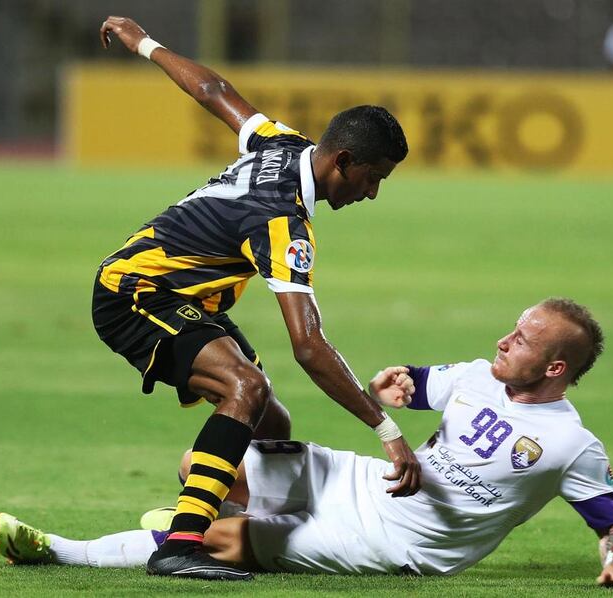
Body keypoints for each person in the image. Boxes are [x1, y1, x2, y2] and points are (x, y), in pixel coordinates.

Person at [0, 298, 613, 591]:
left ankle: (58, 552)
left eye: (524, 340)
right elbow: (417, 383)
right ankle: (211, 518)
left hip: (396, 544)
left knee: (217, 542)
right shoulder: (479, 376)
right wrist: (396, 382)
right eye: (513, 329)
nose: (506, 341)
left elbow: (610, 522)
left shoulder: (571, 445)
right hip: (364, 480)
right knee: (202, 465)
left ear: (556, 368)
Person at [89, 16, 419, 580]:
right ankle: (180, 545)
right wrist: (387, 432)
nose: (372, 192)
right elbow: (309, 346)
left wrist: (145, 43)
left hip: (186, 297)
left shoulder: (282, 143)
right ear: (342, 161)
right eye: (372, 177)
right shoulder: (283, 222)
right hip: (137, 293)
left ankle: (226, 521)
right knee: (245, 386)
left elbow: (213, 92)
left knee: (270, 423)